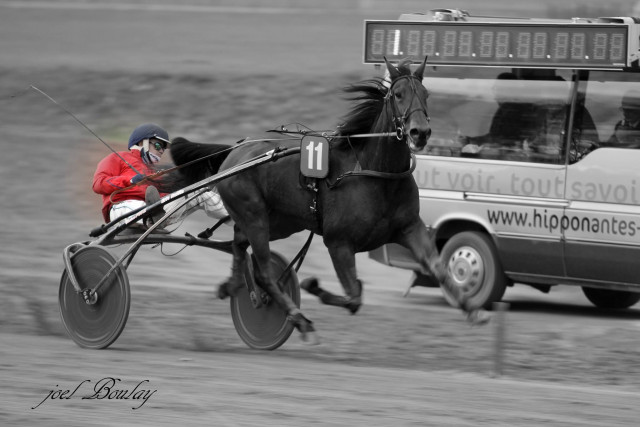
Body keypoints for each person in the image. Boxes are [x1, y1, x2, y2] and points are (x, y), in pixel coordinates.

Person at [92, 123, 228, 228]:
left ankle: (237, 217)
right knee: (140, 205)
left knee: (199, 192)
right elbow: (98, 184)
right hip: (121, 208)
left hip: (156, 210)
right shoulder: (117, 158)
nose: (162, 151)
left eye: (163, 148)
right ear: (141, 142)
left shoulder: (155, 171)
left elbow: (165, 197)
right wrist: (130, 180)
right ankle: (150, 215)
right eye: (158, 145)